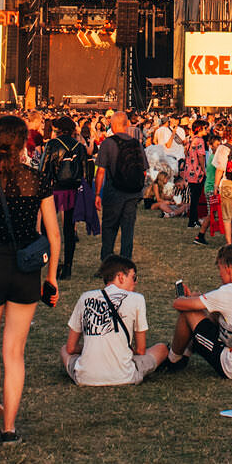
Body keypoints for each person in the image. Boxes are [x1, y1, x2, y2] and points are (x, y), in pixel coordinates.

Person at [0, 114, 61, 446]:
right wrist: (52, 277)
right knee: (14, 351)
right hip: (27, 267)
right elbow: (54, 234)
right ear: (22, 144)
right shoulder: (38, 179)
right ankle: (10, 428)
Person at [166, 242, 232, 380]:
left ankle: (173, 359)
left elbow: (178, 305)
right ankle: (187, 350)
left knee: (189, 312)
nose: (219, 274)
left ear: (227, 268)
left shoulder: (228, 292)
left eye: (220, 268)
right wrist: (196, 298)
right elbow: (218, 312)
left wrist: (184, 298)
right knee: (210, 312)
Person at [62, 255, 167, 385]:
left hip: (85, 377)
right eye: (134, 277)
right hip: (124, 375)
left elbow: (70, 348)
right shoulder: (137, 299)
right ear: (121, 277)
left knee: (63, 349)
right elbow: (140, 350)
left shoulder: (85, 297)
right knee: (162, 348)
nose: (135, 282)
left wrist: (93, 347)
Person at [41, 116, 90, 278]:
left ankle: (47, 260)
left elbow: (44, 168)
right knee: (69, 230)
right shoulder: (80, 146)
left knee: (46, 227)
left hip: (54, 189)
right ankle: (68, 266)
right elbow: (85, 171)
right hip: (73, 190)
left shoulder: (52, 144)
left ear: (58, 129)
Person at [97, 111, 146, 264]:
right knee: (128, 229)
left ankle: (107, 262)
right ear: (126, 125)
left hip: (114, 191)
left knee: (109, 228)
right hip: (133, 192)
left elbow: (101, 171)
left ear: (112, 124)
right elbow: (144, 170)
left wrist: (98, 193)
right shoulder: (136, 143)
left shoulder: (107, 143)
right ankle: (126, 264)